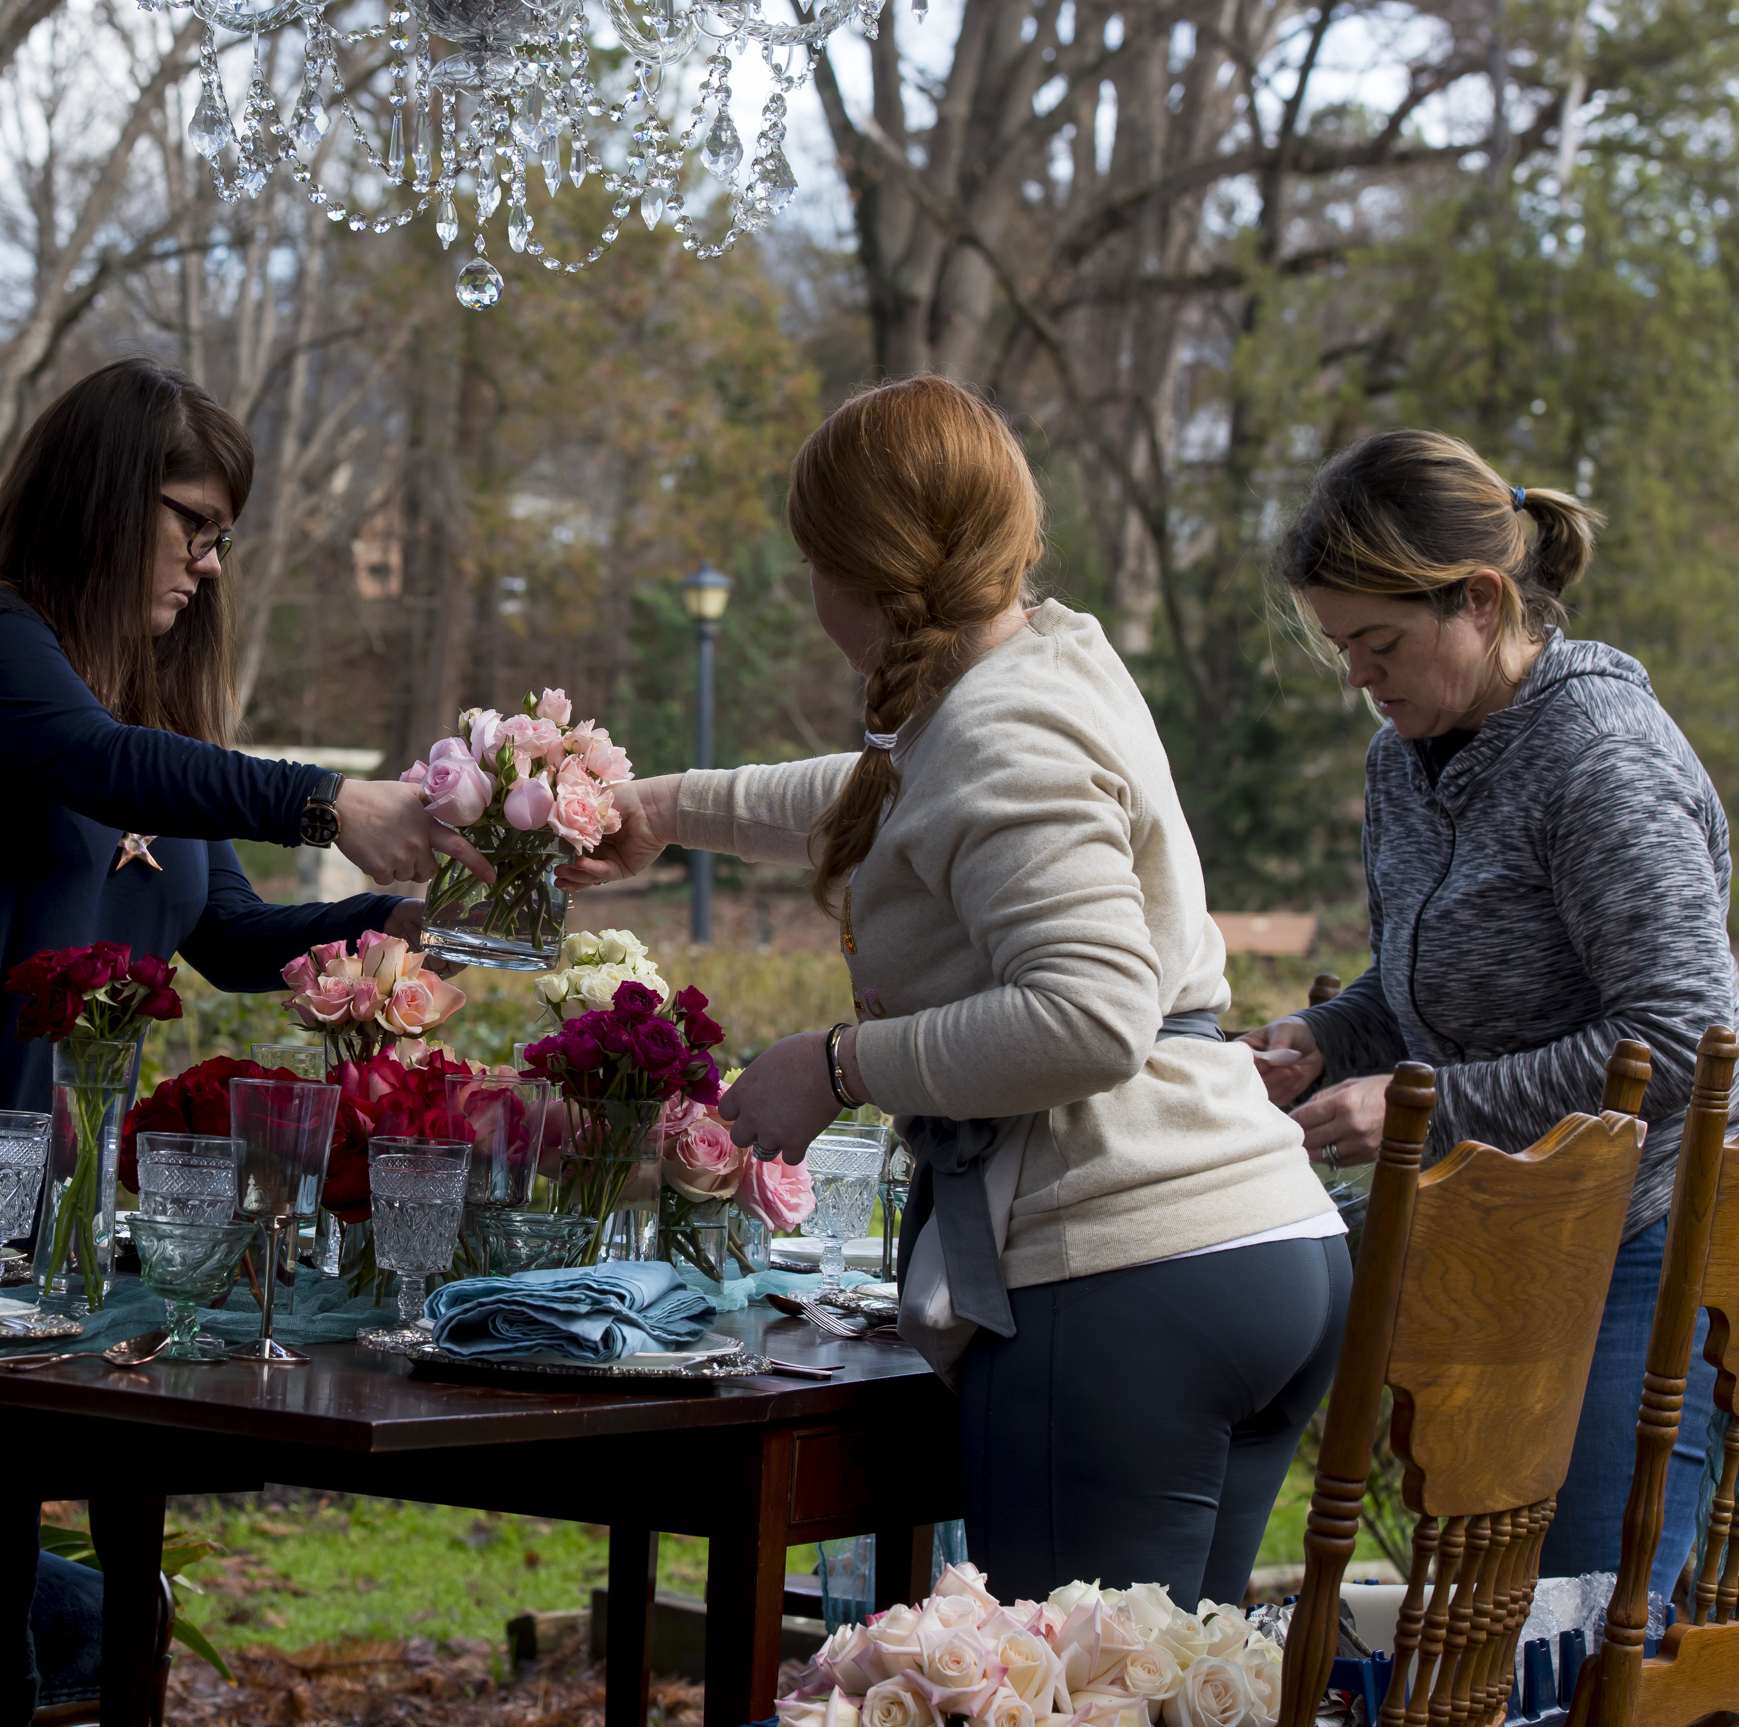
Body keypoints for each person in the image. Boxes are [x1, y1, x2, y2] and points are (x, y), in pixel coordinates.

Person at [567, 377, 1344, 1606]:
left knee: (1063, 1696)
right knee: (1170, 1693)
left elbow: (1089, 1014)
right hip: (1257, 1244)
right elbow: (893, 801)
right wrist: (665, 810)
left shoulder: (1000, 727)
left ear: (860, 573)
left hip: (1127, 1269)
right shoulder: (1039, 668)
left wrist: (834, 1066)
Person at [0, 359, 483, 1233]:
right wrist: (331, 803)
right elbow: (91, 761)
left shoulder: (144, 727)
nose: (212, 565)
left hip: (20, 1164)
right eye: (196, 523)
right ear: (100, 498)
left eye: (223, 538)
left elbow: (226, 933)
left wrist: (396, 929)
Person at [1240, 427, 1739, 1620]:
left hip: (1655, 1228)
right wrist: (1331, 1038)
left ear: (1482, 600)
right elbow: (1428, 988)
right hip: (1521, 1223)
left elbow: (1687, 1036)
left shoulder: (1603, 761)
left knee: (1580, 1618)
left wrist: (1423, 1103)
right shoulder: (1405, 760)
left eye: (1377, 642)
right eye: (1342, 647)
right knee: (1493, 1613)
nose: (1358, 677)